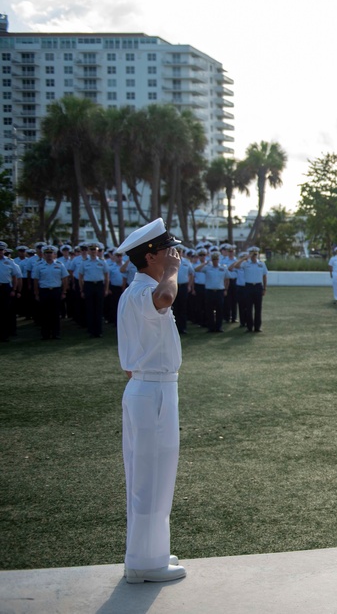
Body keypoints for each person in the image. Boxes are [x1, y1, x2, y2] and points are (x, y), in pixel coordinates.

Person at [115, 218, 186, 584]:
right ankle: (145, 564)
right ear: (151, 255)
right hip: (153, 390)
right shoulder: (147, 292)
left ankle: (149, 553)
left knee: (152, 476)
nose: (175, 256)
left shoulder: (135, 292)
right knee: (152, 478)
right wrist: (171, 273)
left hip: (148, 388)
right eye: (168, 251)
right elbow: (166, 298)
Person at [233, 247, 267, 332]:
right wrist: (244, 258)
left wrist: (264, 288)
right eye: (252, 254)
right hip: (248, 287)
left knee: (258, 308)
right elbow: (236, 266)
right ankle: (249, 327)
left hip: (258, 286)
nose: (254, 256)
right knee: (248, 308)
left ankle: (257, 327)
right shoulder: (245, 263)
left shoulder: (261, 264)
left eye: (255, 254)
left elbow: (264, 276)